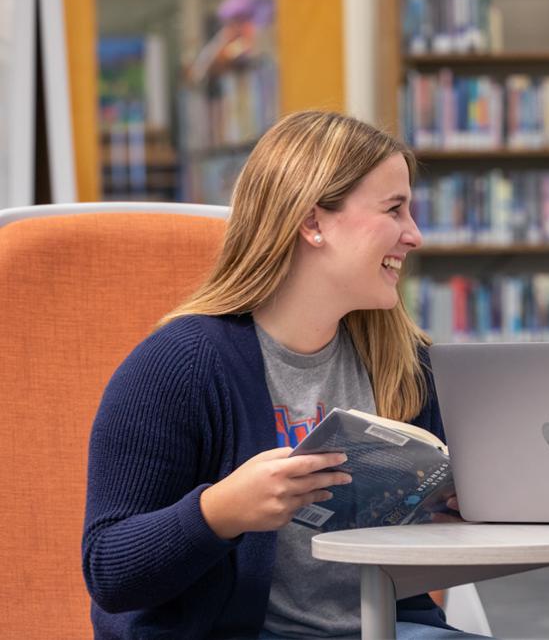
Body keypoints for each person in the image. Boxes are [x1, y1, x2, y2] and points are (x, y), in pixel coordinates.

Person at [82, 111, 484, 639]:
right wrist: (219, 513)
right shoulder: (178, 365)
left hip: (388, 628)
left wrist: (457, 520)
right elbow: (109, 570)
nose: (415, 235)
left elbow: (421, 563)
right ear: (313, 222)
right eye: (394, 210)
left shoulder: (406, 365)